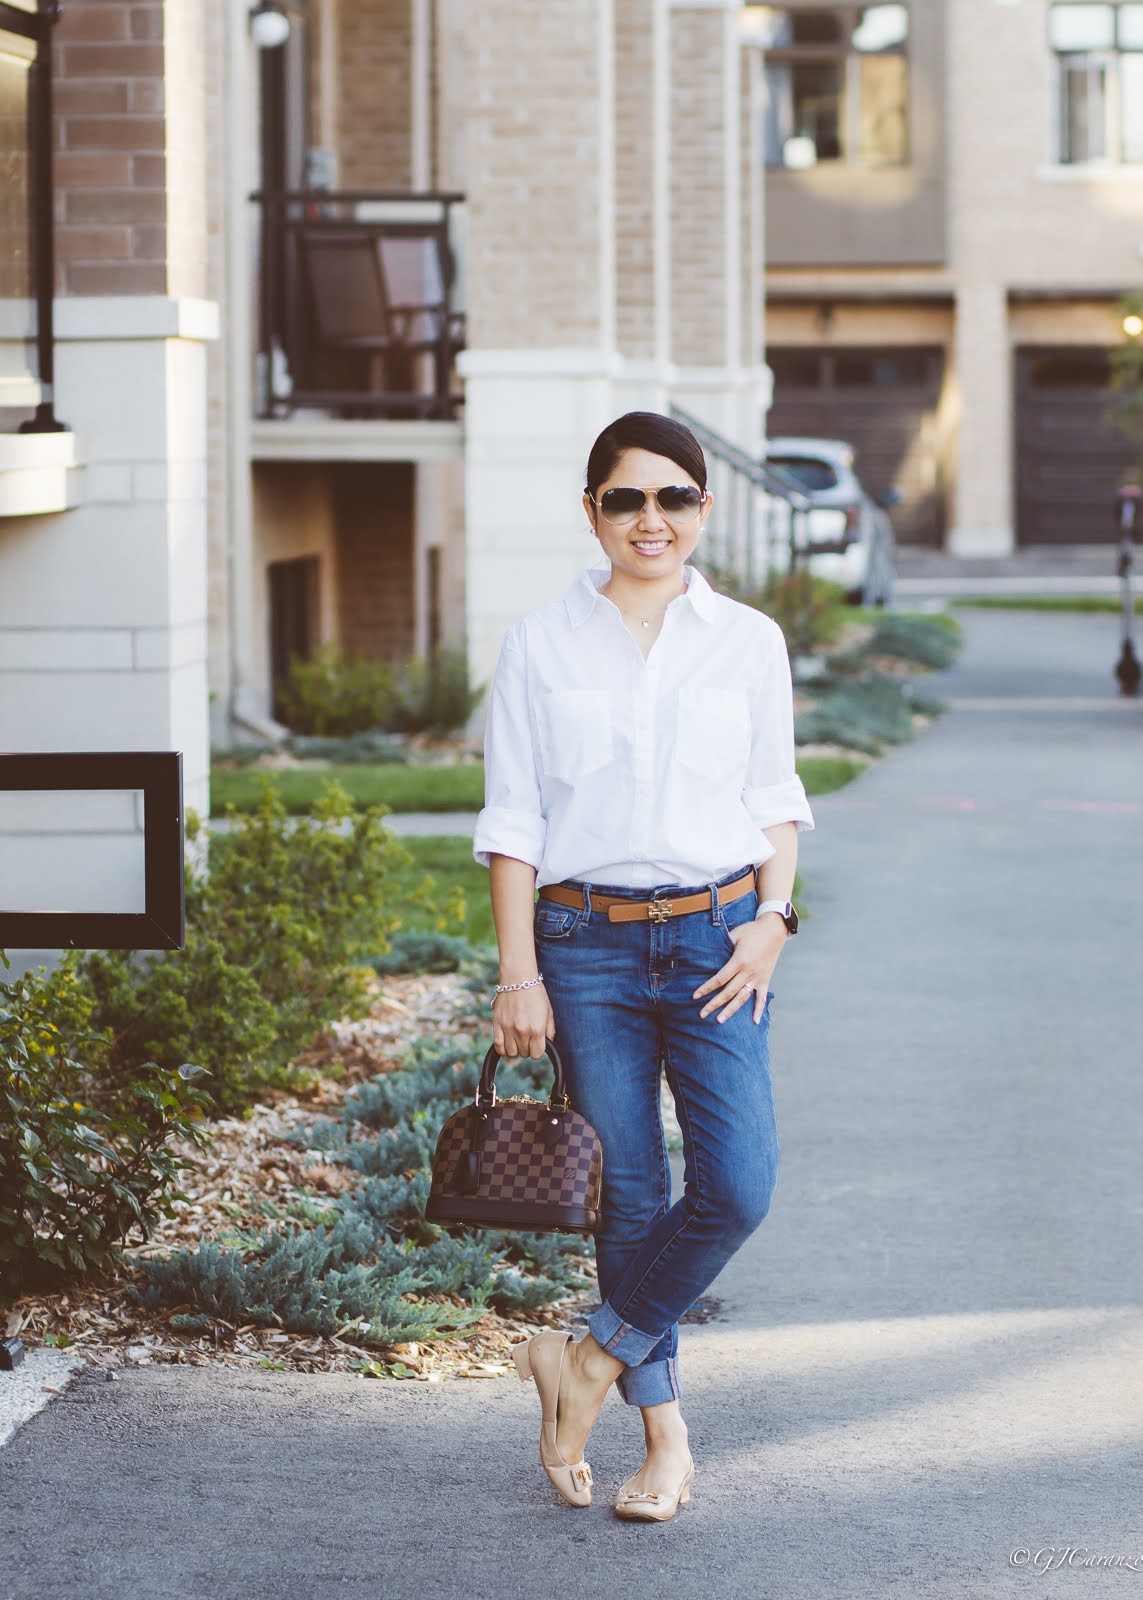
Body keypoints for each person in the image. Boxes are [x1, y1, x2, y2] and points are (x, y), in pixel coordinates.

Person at [471, 410, 814, 1521]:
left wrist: (774, 917)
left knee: (738, 1186)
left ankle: (587, 1361)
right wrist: (516, 971)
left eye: (673, 498)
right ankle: (664, 1440)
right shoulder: (540, 642)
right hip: (585, 947)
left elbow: (774, 801)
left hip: (721, 941)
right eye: (627, 499)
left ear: (703, 510)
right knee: (631, 1191)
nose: (650, 520)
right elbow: (513, 817)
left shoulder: (749, 641)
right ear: (592, 512)